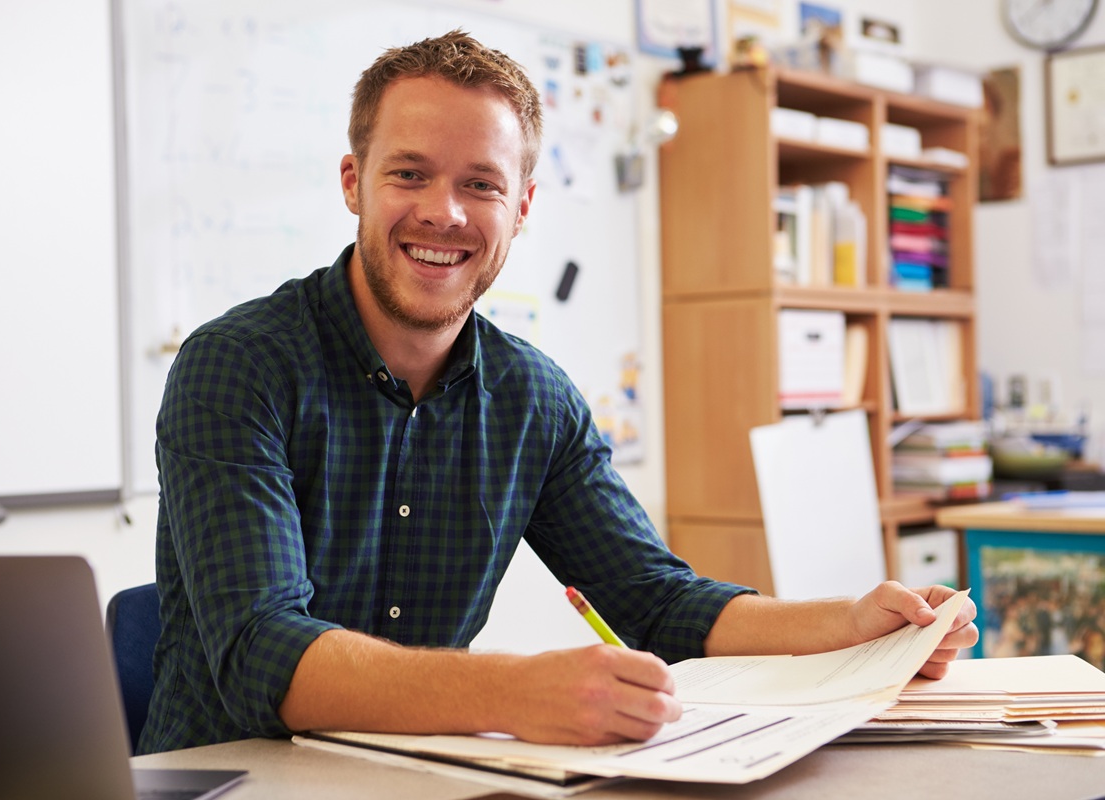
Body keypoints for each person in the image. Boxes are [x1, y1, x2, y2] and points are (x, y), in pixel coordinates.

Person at [140, 30, 978, 756]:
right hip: (227, 776)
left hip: (414, 775)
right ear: (354, 183)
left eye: (482, 184)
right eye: (410, 174)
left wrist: (850, 622)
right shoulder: (236, 366)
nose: (446, 213)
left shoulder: (534, 399)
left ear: (523, 205)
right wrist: (513, 692)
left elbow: (656, 602)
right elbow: (260, 654)